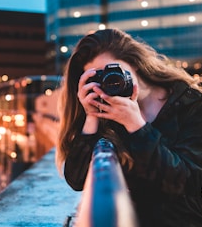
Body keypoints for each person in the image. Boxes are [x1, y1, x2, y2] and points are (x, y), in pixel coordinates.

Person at [56, 28, 202, 227]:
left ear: (135, 64)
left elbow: (188, 181)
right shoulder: (106, 115)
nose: (110, 82)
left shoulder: (190, 104)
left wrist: (136, 126)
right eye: (97, 78)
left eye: (113, 72)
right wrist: (91, 116)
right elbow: (77, 179)